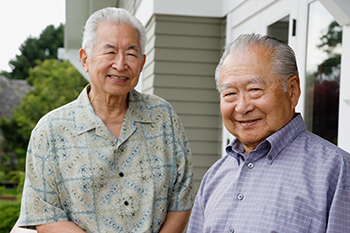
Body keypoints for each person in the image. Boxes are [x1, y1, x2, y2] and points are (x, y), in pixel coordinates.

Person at [18, 7, 193, 233]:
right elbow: (44, 214)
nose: (120, 64)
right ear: (85, 59)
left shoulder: (163, 117)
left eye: (131, 54)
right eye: (109, 52)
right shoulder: (50, 131)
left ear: (142, 63)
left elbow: (182, 195)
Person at [187, 34, 350, 232]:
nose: (241, 107)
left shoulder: (336, 171)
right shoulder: (215, 176)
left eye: (255, 89)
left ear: (292, 90)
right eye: (230, 93)